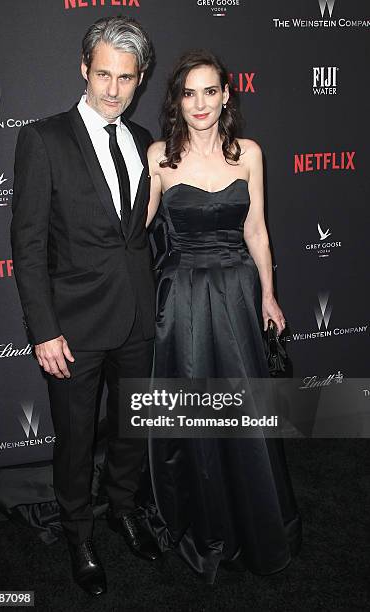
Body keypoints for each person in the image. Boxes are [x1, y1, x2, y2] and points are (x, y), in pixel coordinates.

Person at [10, 16, 160, 598]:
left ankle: (122, 509)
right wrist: (43, 331)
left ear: (139, 77)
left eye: (126, 77)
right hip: (72, 326)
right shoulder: (43, 139)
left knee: (130, 430)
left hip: (138, 319)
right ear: (83, 70)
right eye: (104, 75)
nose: (114, 89)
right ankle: (79, 533)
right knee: (75, 439)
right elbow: (26, 246)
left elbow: (141, 234)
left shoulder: (145, 140)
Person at [144, 50, 302, 584]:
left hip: (237, 291)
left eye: (210, 91)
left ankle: (256, 517)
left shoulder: (250, 154)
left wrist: (269, 295)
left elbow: (256, 229)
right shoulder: (159, 157)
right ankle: (204, 522)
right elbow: (133, 229)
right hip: (182, 296)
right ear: (177, 101)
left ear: (227, 95)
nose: (200, 103)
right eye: (189, 93)